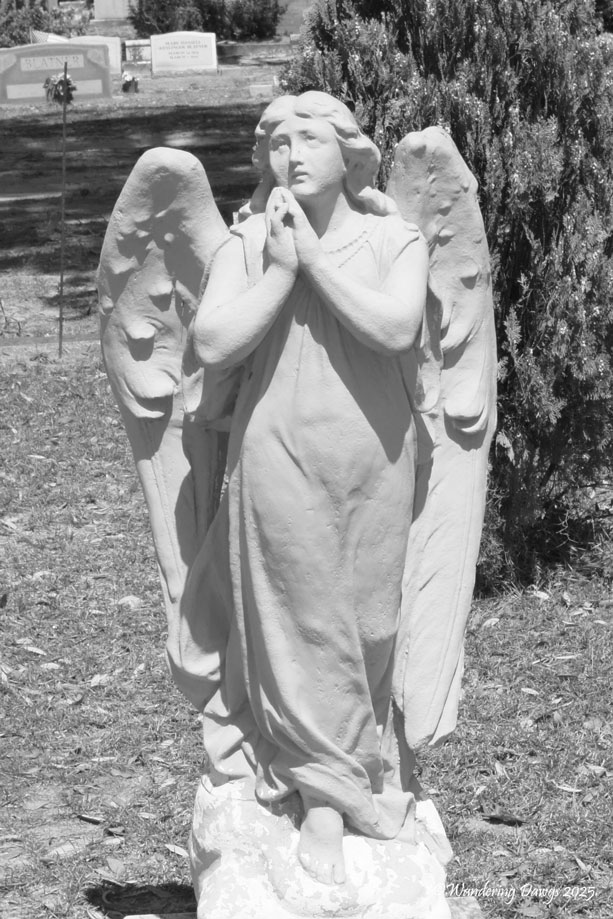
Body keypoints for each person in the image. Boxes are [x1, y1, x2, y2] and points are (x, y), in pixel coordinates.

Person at [186, 91, 430, 887]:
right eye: (278, 143)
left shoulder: (393, 239)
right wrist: (281, 270)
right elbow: (212, 340)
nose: (292, 155)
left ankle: (364, 762)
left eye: (310, 139)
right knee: (303, 623)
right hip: (278, 453)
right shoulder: (251, 241)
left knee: (368, 622)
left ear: (349, 152)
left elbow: (396, 328)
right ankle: (324, 796)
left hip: (375, 460)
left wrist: (315, 264)